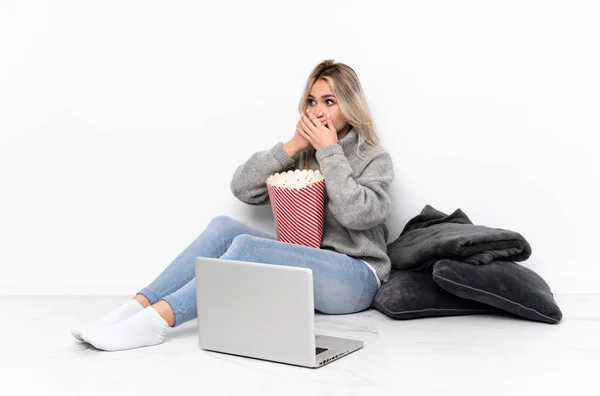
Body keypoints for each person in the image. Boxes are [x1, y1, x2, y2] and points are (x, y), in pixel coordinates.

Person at [70, 59, 395, 351]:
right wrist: (293, 146)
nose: (318, 111)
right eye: (311, 101)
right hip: (309, 272)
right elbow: (243, 188)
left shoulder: (373, 158)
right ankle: (134, 308)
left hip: (357, 278)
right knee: (224, 228)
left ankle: (155, 323)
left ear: (349, 107)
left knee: (248, 248)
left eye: (329, 102)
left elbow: (359, 213)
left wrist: (330, 152)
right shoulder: (305, 155)